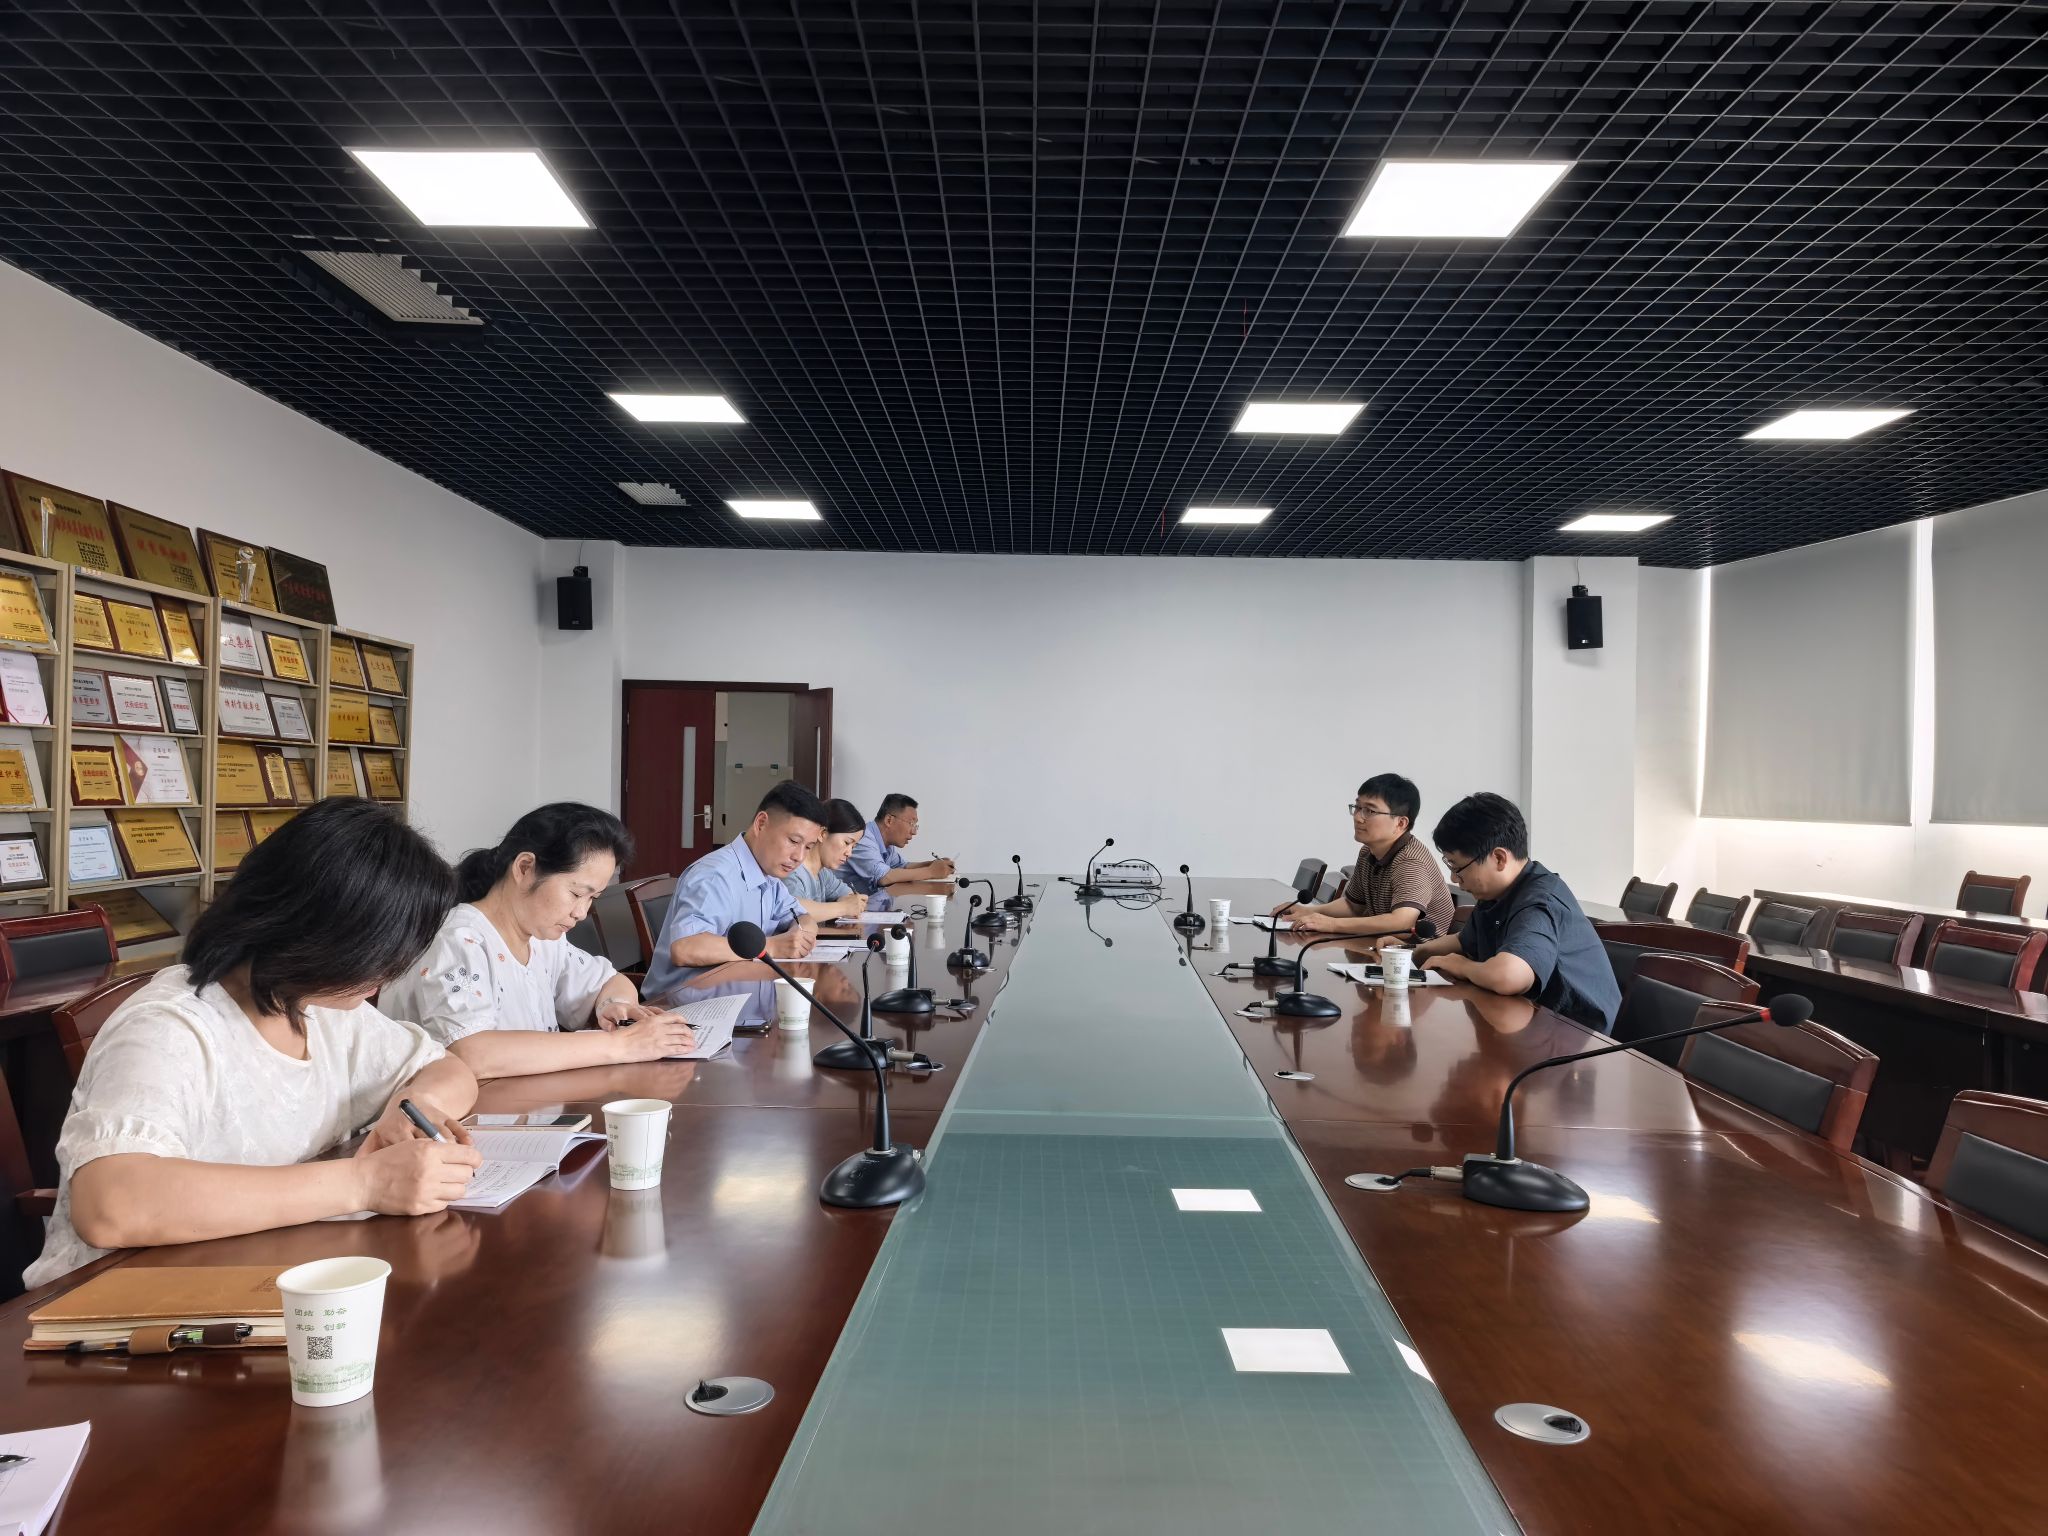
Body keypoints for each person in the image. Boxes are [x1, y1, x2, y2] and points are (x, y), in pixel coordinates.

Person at [24, 799, 483, 1288]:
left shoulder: (320, 1008)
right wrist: (365, 1182)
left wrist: (416, 1105)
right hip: (123, 1301)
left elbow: (450, 1069)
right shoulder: (169, 1028)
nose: (382, 982)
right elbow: (111, 1205)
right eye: (378, 958)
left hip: (254, 1275)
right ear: (320, 932)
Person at [380, 803, 697, 1077]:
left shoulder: (543, 938)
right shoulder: (458, 939)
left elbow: (611, 982)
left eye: (593, 898)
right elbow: (473, 1053)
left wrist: (615, 1006)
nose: (581, 912)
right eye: (576, 893)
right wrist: (620, 1045)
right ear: (524, 868)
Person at [1406, 792, 1621, 1034]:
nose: (1454, 878)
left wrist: (1462, 966)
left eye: (1456, 866)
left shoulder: (1539, 901)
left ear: (1499, 858)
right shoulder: (1497, 893)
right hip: (1531, 1026)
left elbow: (1508, 976)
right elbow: (1463, 941)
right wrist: (1411, 952)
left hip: (1578, 1038)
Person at [642, 779, 827, 1003]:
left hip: (735, 994)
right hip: (682, 1006)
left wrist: (802, 933)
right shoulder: (715, 875)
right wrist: (772, 946)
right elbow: (686, 947)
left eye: (808, 847)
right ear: (761, 824)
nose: (799, 856)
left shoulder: (770, 876)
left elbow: (802, 916)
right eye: (793, 841)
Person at [1274, 774, 1456, 939]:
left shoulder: (1411, 861)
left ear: (1400, 823)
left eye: (1369, 811)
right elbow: (1353, 906)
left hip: (1418, 956)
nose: (1358, 817)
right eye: (1357, 807)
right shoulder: (1368, 851)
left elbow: (1401, 923)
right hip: (1381, 946)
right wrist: (1308, 911)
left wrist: (1332, 924)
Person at [840, 793, 955, 894]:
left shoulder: (886, 844)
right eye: (911, 823)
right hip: (841, 907)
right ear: (889, 820)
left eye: (916, 826)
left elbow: (902, 866)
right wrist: (931, 871)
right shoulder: (863, 837)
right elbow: (884, 877)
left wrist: (933, 864)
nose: (914, 832)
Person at [783, 797, 873, 922]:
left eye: (853, 846)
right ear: (822, 834)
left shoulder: (823, 874)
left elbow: (851, 898)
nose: (849, 853)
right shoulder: (792, 870)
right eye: (847, 842)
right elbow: (794, 910)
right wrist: (843, 907)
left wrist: (851, 903)